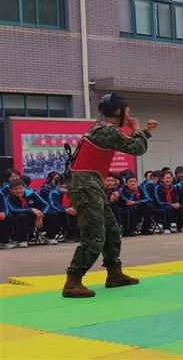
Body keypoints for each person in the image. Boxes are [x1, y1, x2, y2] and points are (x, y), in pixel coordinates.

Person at [62, 93, 157, 298]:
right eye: (128, 112)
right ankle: (73, 281)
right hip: (86, 187)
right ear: (117, 112)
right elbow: (137, 148)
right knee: (95, 237)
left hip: (89, 185)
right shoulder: (107, 130)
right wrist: (137, 128)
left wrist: (144, 132)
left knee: (112, 232)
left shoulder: (102, 129)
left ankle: (114, 274)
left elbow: (127, 143)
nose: (130, 115)